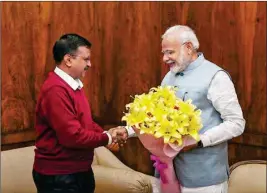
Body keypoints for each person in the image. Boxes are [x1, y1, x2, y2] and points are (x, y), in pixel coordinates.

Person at [125, 25, 246, 193]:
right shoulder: (169, 76)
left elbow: (236, 123)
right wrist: (128, 130)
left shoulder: (216, 76)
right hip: (166, 174)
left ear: (188, 47)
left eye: (170, 52)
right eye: (164, 53)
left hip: (203, 178)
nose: (165, 59)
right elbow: (155, 119)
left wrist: (199, 141)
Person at [32, 33, 127, 193]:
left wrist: (105, 133)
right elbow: (72, 137)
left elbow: (85, 123)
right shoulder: (56, 90)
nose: (90, 64)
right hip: (60, 176)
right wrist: (108, 137)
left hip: (77, 171)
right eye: (86, 59)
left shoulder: (72, 85)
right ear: (68, 60)